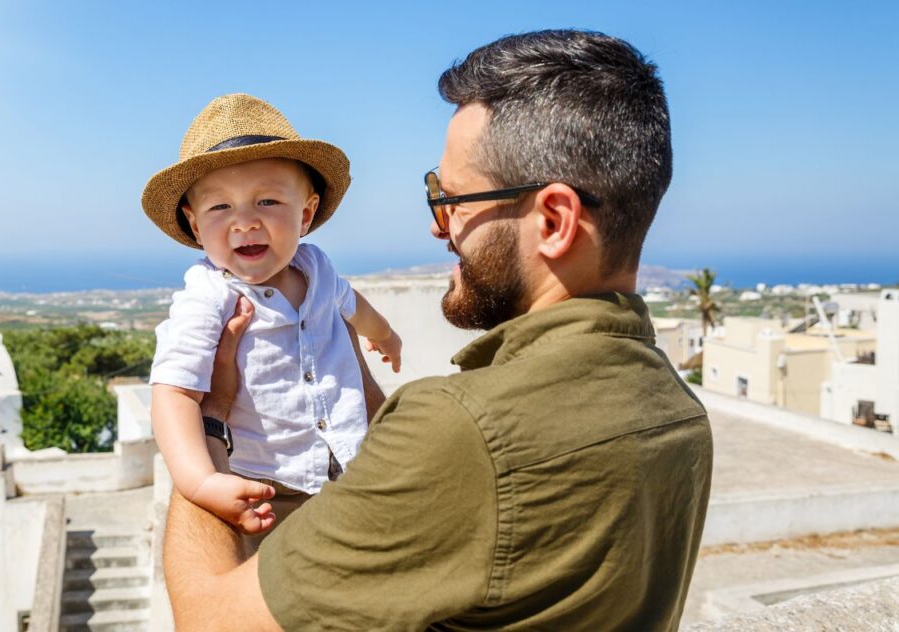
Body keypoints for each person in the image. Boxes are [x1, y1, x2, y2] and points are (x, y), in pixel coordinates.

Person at [162, 30, 713, 631]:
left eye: (451, 199)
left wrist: (215, 419)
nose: (437, 226)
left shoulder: (460, 432)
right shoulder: (679, 413)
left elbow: (208, 622)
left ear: (554, 220)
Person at [142, 93, 402, 552]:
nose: (244, 222)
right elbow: (174, 391)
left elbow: (351, 303)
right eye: (220, 207)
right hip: (265, 486)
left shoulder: (317, 267)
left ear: (305, 213)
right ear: (195, 225)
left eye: (266, 201)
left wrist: (382, 334)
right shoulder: (209, 295)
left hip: (352, 469)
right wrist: (201, 481)